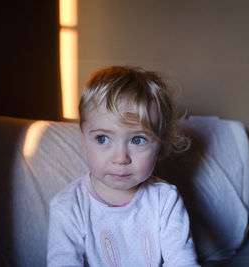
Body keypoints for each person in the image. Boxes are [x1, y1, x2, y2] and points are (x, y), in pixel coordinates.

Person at [47, 66, 199, 266]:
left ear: (160, 147)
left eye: (137, 140)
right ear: (83, 140)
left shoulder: (165, 200)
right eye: (102, 139)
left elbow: (183, 261)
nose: (120, 158)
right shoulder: (68, 207)